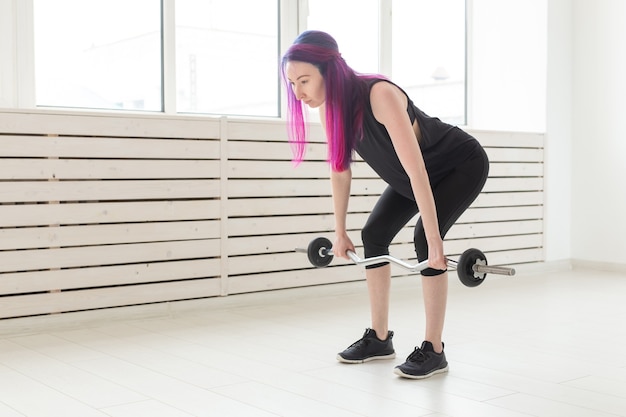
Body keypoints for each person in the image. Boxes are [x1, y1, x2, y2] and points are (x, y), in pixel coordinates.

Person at [281, 30, 489, 379]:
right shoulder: (329, 111)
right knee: (374, 233)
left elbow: (416, 168)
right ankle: (379, 339)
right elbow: (340, 171)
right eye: (291, 84)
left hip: (458, 165)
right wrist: (339, 231)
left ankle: (434, 349)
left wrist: (436, 241)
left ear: (329, 71)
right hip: (415, 177)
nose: (298, 93)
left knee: (425, 238)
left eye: (304, 80)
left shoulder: (380, 94)